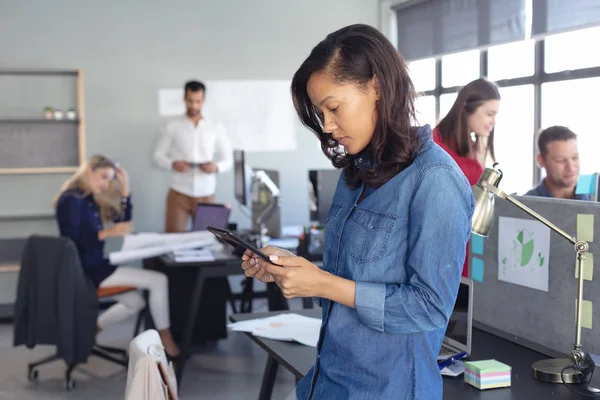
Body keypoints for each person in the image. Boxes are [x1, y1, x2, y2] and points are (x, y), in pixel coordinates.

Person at [241, 24, 474, 400]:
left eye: (334, 108)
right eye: (321, 113)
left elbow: (428, 309)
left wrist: (323, 284)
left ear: (377, 87)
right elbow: (347, 284)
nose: (328, 126)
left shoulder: (435, 180)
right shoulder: (357, 174)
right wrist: (297, 273)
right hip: (330, 381)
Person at [53, 155, 180, 359]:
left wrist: (125, 187)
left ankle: (92, 329)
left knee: (135, 302)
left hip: (92, 265)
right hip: (87, 269)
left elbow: (123, 220)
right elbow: (73, 239)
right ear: (88, 172)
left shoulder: (85, 198)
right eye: (103, 177)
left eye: (109, 179)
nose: (105, 184)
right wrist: (108, 233)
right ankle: (167, 340)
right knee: (159, 280)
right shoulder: (72, 200)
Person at [433, 77, 500, 277]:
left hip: (466, 247)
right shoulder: (436, 145)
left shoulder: (470, 146)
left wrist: (480, 154)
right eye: (489, 114)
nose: (493, 122)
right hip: (442, 251)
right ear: (467, 108)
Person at [153, 80, 233, 233]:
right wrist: (172, 164)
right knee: (173, 239)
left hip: (206, 193)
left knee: (205, 238)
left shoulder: (215, 127)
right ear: (184, 99)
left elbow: (228, 159)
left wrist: (216, 167)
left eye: (198, 101)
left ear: (203, 101)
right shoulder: (172, 126)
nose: (194, 106)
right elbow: (158, 156)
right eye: (190, 101)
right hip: (179, 192)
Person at [525, 126, 589, 200]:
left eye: (574, 158)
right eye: (560, 160)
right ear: (541, 161)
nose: (571, 167)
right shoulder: (525, 206)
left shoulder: (594, 197)